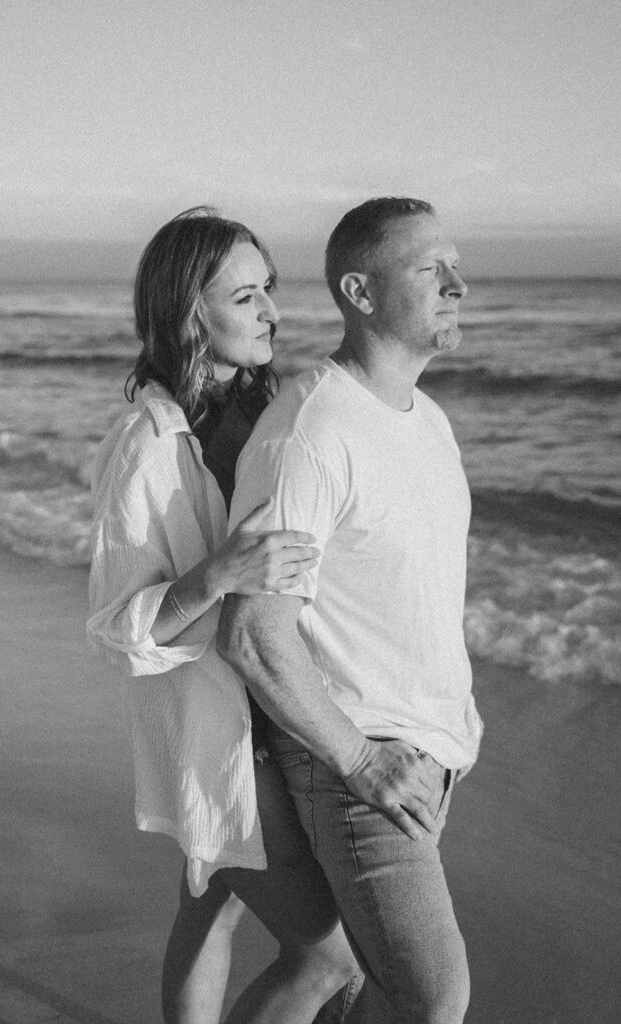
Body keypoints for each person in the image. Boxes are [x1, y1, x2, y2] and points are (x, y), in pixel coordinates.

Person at [87, 208, 361, 1024]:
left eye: (269, 289)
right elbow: (116, 627)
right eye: (246, 297)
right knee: (326, 957)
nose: (273, 310)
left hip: (283, 708)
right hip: (224, 733)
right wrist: (215, 576)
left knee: (212, 901)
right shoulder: (149, 443)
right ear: (189, 312)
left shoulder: (266, 412)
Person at [217, 197, 484, 1024]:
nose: (458, 286)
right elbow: (254, 635)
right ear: (361, 293)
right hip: (357, 761)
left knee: (354, 984)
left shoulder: (427, 420)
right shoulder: (309, 433)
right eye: (428, 270)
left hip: (424, 758)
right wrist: (361, 762)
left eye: (454, 265)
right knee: (433, 997)